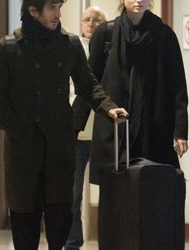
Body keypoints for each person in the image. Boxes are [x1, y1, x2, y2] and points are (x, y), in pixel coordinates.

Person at [0, 1, 128, 250]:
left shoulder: (69, 44)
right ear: (33, 10)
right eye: (51, 8)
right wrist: (14, 125)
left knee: (60, 215)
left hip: (59, 148)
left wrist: (107, 106)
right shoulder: (8, 47)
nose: (58, 14)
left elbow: (87, 84)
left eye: (59, 7)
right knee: (24, 218)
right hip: (22, 150)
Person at [72, 0, 189, 186]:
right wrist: (73, 128)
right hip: (113, 128)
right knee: (115, 197)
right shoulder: (105, 33)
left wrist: (180, 131)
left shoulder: (164, 35)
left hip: (153, 128)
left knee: (151, 193)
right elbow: (89, 83)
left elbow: (177, 86)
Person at [65, 6, 107, 250]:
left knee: (111, 193)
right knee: (72, 195)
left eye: (96, 20)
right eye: (87, 19)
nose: (91, 24)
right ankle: (72, 243)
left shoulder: (109, 48)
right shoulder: (72, 49)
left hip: (103, 134)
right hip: (77, 133)